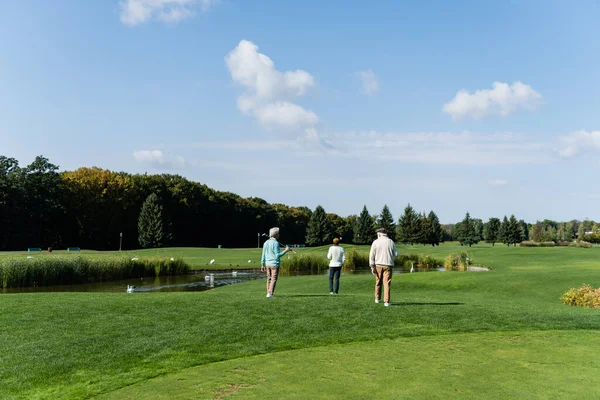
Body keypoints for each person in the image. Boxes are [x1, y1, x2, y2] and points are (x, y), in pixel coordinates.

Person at [369, 228, 399, 307]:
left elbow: (371, 255)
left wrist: (372, 266)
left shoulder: (375, 242)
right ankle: (386, 301)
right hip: (388, 265)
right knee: (387, 283)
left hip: (378, 264)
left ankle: (377, 299)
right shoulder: (390, 242)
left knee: (378, 282)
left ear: (379, 234)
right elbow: (396, 253)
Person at [261, 227, 292, 298]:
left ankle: (268, 293)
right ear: (276, 235)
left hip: (267, 264)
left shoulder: (266, 243)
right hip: (274, 264)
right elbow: (277, 255)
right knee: (273, 279)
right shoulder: (275, 243)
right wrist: (286, 250)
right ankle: (270, 294)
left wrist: (262, 264)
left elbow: (263, 255)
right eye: (278, 234)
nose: (279, 235)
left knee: (269, 278)